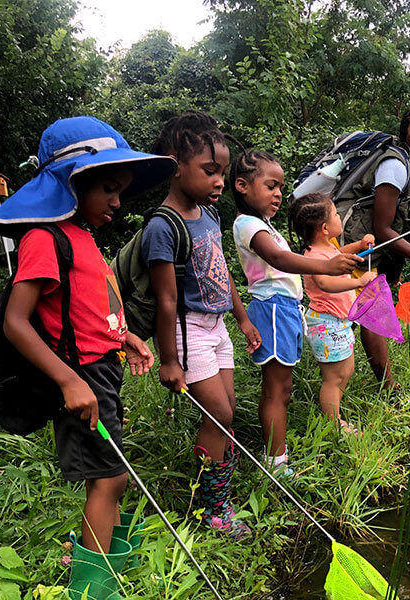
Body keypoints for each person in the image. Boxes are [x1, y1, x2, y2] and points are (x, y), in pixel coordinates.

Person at [0, 116, 176, 556]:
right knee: (109, 477)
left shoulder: (83, 237)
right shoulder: (44, 238)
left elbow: (87, 307)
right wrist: (69, 381)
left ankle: (107, 557)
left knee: (115, 474)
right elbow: (17, 322)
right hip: (82, 377)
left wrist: (124, 336)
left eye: (122, 190)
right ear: (70, 183)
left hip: (103, 372)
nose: (118, 201)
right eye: (108, 187)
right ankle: (93, 581)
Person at [143, 111, 260, 539]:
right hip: (187, 330)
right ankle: (214, 510)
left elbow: (223, 271)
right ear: (176, 167)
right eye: (210, 171)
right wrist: (169, 361)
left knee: (226, 414)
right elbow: (166, 298)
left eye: (222, 173)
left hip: (218, 326)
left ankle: (216, 487)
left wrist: (242, 317)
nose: (219, 182)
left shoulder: (208, 216)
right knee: (219, 411)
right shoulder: (162, 226)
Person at [230, 149, 362, 474]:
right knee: (277, 389)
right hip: (273, 310)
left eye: (280, 187)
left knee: (283, 388)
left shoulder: (265, 225)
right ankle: (276, 463)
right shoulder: (248, 224)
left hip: (286, 310)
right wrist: (327, 266)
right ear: (242, 186)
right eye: (270, 185)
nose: (277, 194)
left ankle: (277, 455)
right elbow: (279, 260)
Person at [340, 102, 410, 391]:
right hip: (354, 249)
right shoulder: (395, 165)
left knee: (363, 317)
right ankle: (387, 392)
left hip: (369, 251)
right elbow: (382, 230)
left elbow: (391, 228)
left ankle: (381, 389)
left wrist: (395, 269)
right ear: (405, 129)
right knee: (369, 317)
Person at [288, 192, 376, 434]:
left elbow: (339, 256)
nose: (340, 217)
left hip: (337, 322)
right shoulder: (313, 257)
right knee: (333, 378)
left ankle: (334, 415)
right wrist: (358, 283)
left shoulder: (326, 248)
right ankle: (333, 425)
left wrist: (359, 246)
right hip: (327, 324)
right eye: (337, 214)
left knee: (344, 371)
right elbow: (326, 283)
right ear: (325, 228)